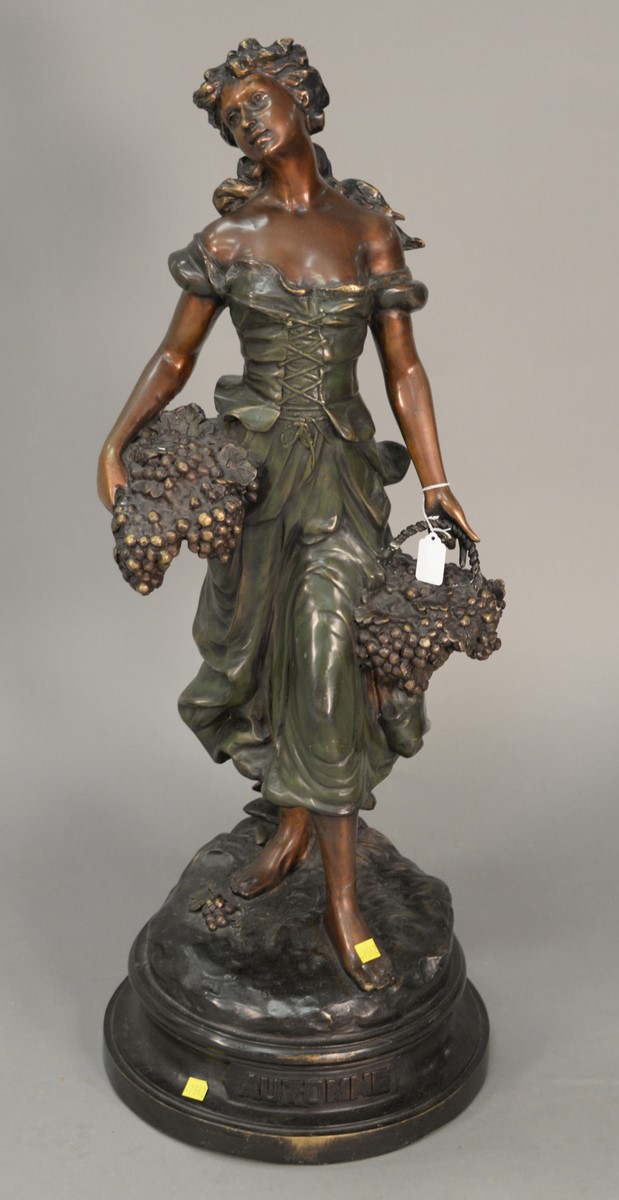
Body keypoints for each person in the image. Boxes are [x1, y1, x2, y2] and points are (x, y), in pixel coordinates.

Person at [97, 38, 478, 992]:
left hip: (339, 476)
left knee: (326, 664)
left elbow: (402, 367)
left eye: (258, 103)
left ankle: (344, 901)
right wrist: (116, 441)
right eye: (232, 119)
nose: (247, 123)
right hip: (257, 484)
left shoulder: (366, 229)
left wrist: (435, 485)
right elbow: (176, 356)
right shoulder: (229, 240)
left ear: (302, 99)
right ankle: (290, 827)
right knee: (258, 667)